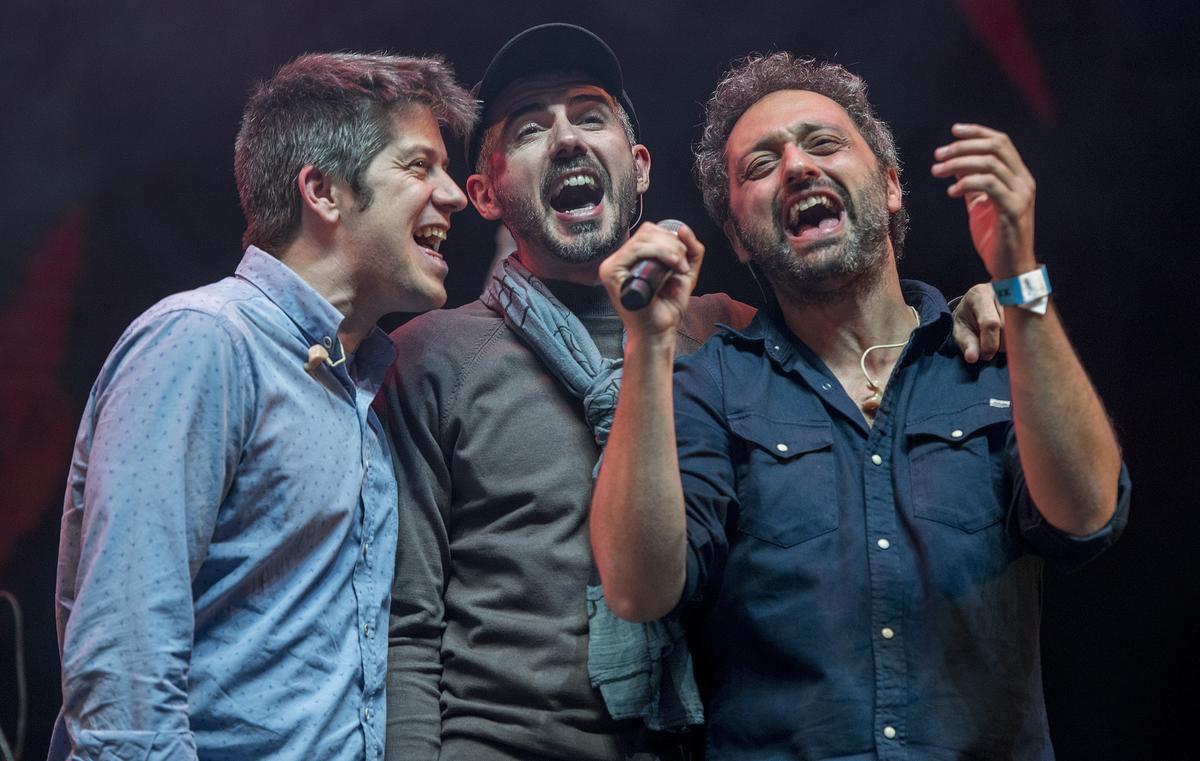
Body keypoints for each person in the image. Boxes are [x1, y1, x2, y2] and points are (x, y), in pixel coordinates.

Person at [383, 26, 999, 760]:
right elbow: (404, 623)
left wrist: (973, 309)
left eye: (590, 115)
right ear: (484, 192)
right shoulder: (431, 355)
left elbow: (870, 345)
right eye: (529, 129)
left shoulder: (727, 336)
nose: (567, 140)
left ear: (639, 167)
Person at [590, 52, 1131, 760]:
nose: (796, 168)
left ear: (892, 184)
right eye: (759, 165)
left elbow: (1088, 514)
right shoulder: (714, 383)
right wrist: (647, 343)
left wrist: (1017, 273)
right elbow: (637, 590)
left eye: (823, 143)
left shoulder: (998, 357)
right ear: (736, 234)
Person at [49, 52, 474, 761]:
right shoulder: (203, 342)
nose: (454, 193)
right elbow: (124, 678)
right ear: (324, 192)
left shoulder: (357, 389)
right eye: (418, 165)